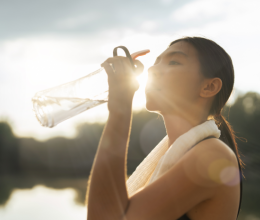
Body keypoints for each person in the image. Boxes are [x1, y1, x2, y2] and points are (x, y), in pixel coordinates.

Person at [86, 37, 243, 220]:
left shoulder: (211, 156)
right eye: (155, 62)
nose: (152, 69)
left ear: (209, 86)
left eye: (174, 62)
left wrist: (120, 108)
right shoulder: (180, 154)